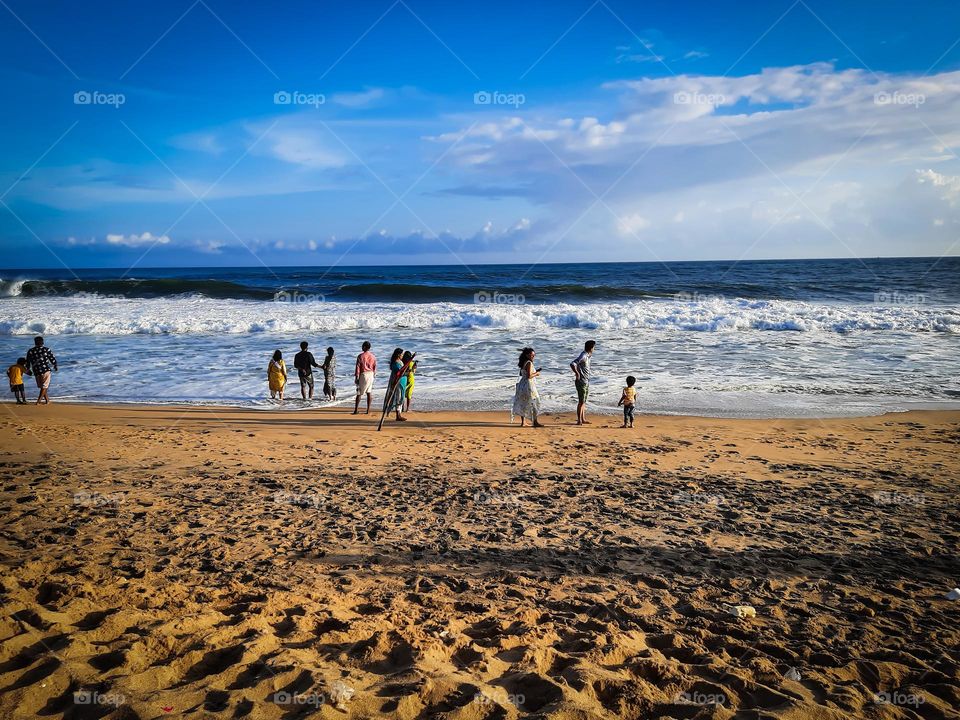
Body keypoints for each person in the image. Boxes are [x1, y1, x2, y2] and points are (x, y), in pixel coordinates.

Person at [512, 347, 543, 427]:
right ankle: (535, 422)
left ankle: (523, 422)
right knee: (535, 401)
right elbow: (529, 376)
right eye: (531, 355)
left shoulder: (523, 363)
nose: (533, 357)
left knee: (524, 403)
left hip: (522, 384)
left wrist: (534, 372)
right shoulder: (529, 363)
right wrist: (537, 373)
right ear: (527, 355)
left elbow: (521, 374)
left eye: (534, 355)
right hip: (529, 385)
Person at [570, 339, 596, 425]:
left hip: (586, 381)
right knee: (581, 401)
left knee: (583, 401)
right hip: (581, 381)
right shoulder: (584, 356)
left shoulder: (587, 355)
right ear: (591, 348)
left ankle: (583, 419)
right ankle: (579, 420)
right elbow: (573, 363)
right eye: (594, 347)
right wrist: (577, 373)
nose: (594, 349)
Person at [25, 336, 57, 405]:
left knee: (42, 386)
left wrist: (28, 369)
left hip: (36, 371)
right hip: (45, 370)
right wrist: (55, 365)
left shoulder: (30, 351)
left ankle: (47, 400)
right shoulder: (46, 350)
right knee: (44, 386)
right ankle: (38, 401)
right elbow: (52, 359)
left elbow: (27, 362)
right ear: (43, 342)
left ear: (35, 343)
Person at [353, 341, 377, 414]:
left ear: (364, 347)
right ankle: (368, 410)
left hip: (364, 374)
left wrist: (357, 377)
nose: (361, 347)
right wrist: (374, 375)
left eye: (362, 346)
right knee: (369, 392)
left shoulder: (360, 356)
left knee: (359, 393)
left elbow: (358, 368)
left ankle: (356, 410)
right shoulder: (373, 356)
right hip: (371, 374)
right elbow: (375, 367)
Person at [386, 347, 409, 421]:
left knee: (400, 397)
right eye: (401, 354)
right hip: (398, 382)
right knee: (398, 397)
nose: (402, 355)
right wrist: (406, 372)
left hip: (401, 382)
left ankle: (399, 414)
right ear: (398, 355)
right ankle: (398, 415)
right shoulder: (396, 363)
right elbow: (399, 373)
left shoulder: (399, 361)